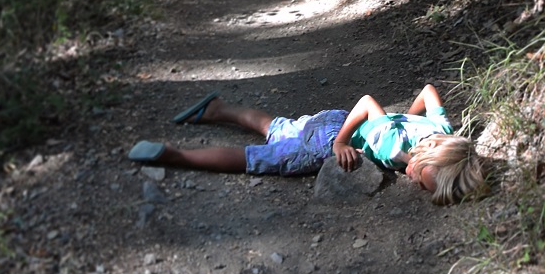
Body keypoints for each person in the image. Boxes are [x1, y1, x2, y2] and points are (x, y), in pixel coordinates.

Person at [127, 84, 484, 205]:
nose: (411, 178)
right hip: (329, 139)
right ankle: (177, 156)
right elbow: (367, 104)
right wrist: (342, 144)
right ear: (426, 160)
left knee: (278, 129)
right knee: (261, 159)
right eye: (417, 176)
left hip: (332, 119)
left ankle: (218, 109)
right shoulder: (394, 149)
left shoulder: (442, 130)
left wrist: (402, 117)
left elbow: (428, 91)